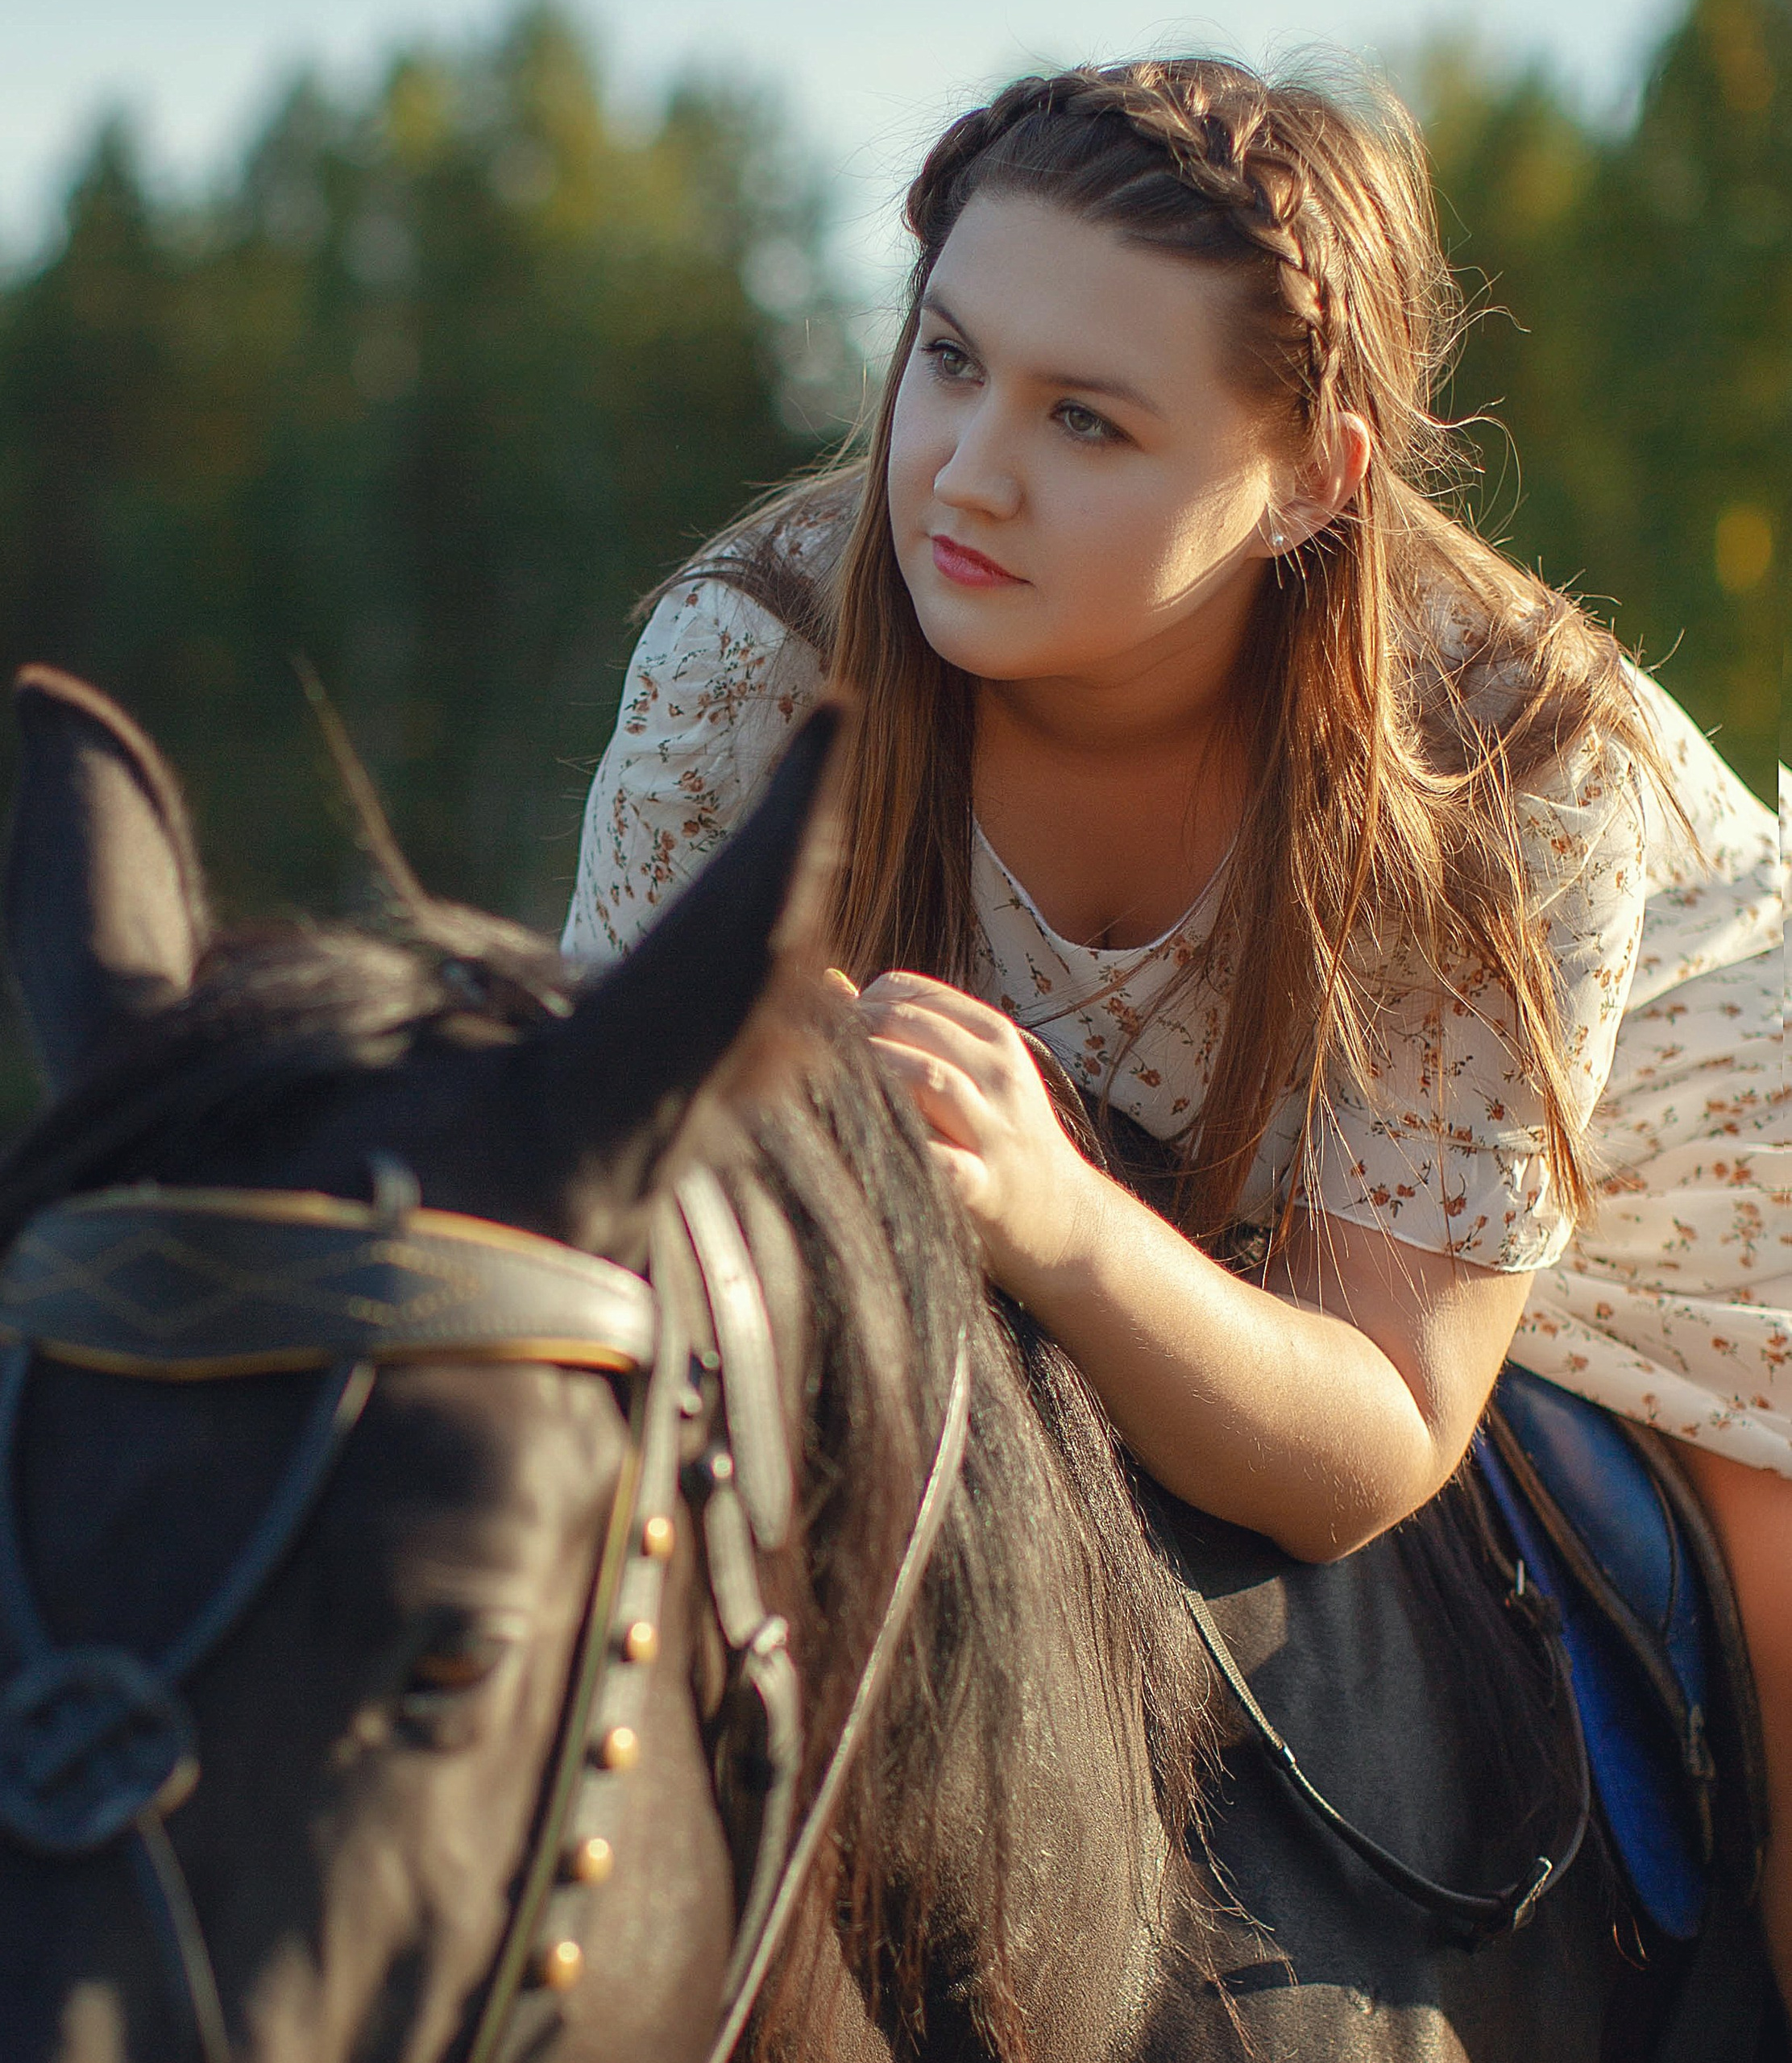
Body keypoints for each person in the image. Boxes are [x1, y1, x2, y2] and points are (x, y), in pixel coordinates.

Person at [560, 60, 1789, 1998]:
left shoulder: (1491, 761)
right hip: (1182, 1169)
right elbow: (589, 1223)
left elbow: (1369, 1428)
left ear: (1313, 478)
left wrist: (1054, 1218)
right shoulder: (754, 660)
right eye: (948, 358)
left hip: (1675, 1177)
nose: (965, 468)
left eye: (1086, 420)